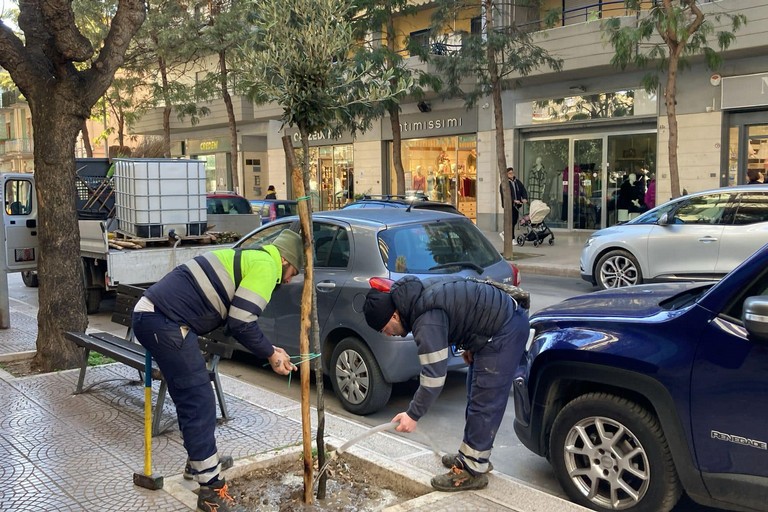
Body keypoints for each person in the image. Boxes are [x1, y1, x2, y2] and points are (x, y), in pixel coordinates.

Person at [131, 229, 303, 512]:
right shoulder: (266, 265)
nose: (291, 279)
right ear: (285, 260)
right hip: (164, 321)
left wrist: (271, 349)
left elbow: (233, 316)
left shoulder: (252, 258)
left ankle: (199, 461)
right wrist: (271, 354)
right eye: (294, 270)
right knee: (198, 399)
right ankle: (210, 489)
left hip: (158, 317)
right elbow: (242, 322)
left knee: (194, 397)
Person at [363, 276, 529, 492]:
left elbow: (434, 377)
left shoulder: (424, 318)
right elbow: (464, 308)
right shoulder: (415, 296)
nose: (388, 334)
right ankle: (471, 456)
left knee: (485, 400)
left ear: (394, 315)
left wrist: (413, 414)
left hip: (506, 330)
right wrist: (471, 344)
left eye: (385, 328)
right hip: (495, 326)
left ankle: (472, 471)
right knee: (476, 391)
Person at [499, 167, 528, 244]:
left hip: (516, 205)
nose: (512, 174)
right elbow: (505, 195)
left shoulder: (517, 182)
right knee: (511, 221)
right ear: (506, 174)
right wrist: (513, 200)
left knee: (514, 221)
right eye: (510, 173)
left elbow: (523, 190)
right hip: (509, 205)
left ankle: (504, 233)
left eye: (512, 173)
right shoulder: (504, 184)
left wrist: (524, 198)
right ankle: (512, 238)